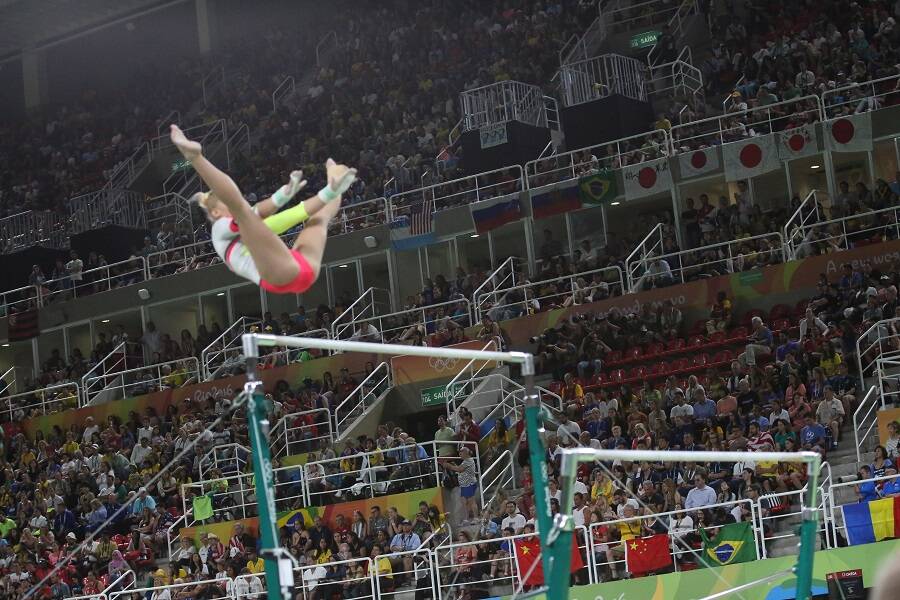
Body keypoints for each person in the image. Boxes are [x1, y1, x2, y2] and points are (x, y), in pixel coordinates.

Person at [170, 124, 356, 294]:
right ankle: (196, 158)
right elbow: (247, 211)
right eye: (226, 201)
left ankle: (335, 175)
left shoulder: (250, 227)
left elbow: (288, 216)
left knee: (320, 218)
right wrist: (280, 197)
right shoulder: (219, 231)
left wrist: (329, 192)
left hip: (302, 266)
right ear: (215, 212)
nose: (239, 199)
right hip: (281, 272)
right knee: (243, 210)